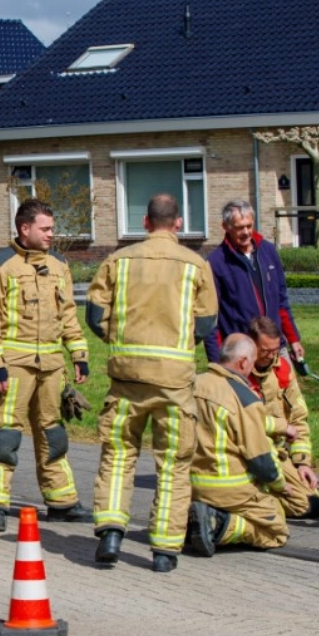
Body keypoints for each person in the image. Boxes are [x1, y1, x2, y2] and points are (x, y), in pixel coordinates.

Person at [85, 193, 217, 573]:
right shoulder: (196, 265)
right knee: (173, 464)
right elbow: (206, 324)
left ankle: (111, 531)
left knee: (118, 455)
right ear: (178, 223)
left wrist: (121, 343)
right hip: (174, 384)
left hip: (126, 380)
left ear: (145, 223)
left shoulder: (118, 261)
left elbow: (95, 315)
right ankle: (163, 551)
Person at [0, 199, 90, 532]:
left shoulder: (59, 265)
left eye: (53, 228)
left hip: (52, 367)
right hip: (13, 368)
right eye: (46, 228)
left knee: (53, 433)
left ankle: (62, 502)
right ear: (25, 229)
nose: (53, 234)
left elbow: (68, 315)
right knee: (4, 433)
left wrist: (79, 355)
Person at [186, 334, 290, 556]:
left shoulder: (192, 384)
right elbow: (260, 459)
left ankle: (192, 522)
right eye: (251, 364)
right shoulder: (245, 398)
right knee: (277, 530)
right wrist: (280, 485)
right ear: (243, 362)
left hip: (189, 485)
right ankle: (220, 525)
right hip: (230, 489)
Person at [205, 199, 302, 364]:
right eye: (239, 227)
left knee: (286, 389)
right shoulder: (216, 263)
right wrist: (217, 361)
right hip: (241, 354)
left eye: (249, 226)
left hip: (274, 347)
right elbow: (210, 318)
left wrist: (293, 338)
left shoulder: (269, 251)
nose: (246, 232)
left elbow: (281, 301)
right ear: (225, 226)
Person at [245, 316, 319, 519]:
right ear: (250, 345)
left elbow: (299, 418)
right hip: (247, 453)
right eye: (265, 351)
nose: (271, 356)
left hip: (277, 453)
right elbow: (241, 421)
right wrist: (281, 426)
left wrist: (302, 463)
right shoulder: (238, 372)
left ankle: (262, 497)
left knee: (311, 504)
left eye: (275, 350)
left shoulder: (283, 370)